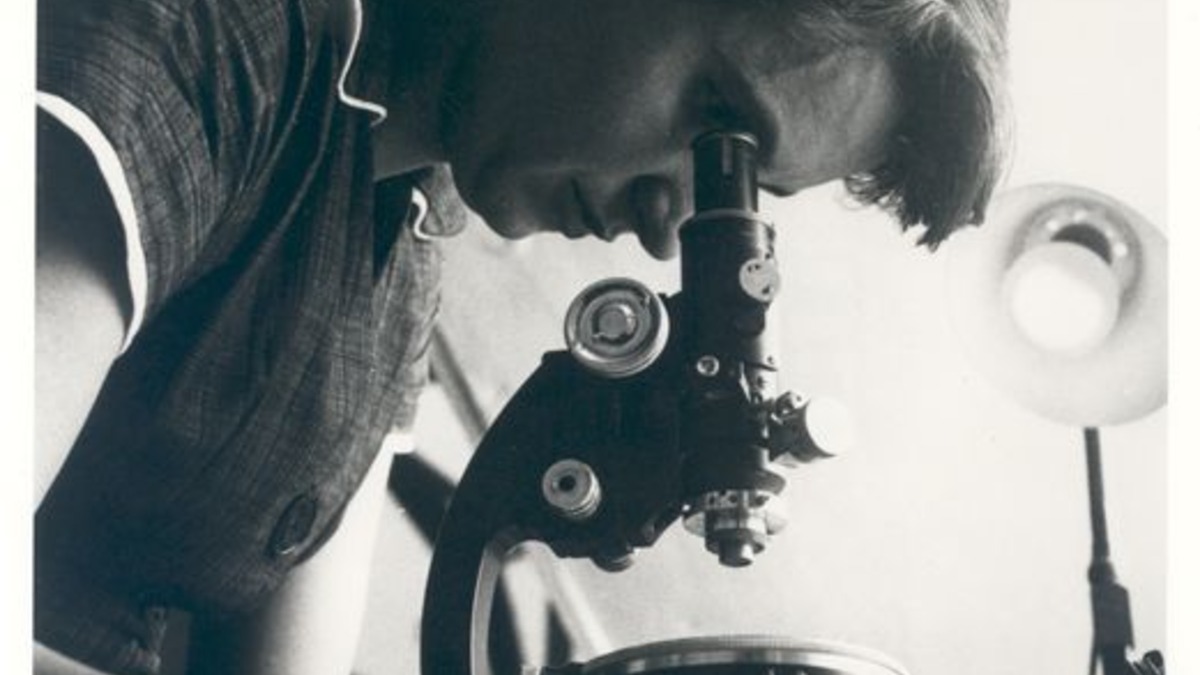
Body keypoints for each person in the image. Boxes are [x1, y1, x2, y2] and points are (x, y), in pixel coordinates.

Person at [34, 0, 1009, 673]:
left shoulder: (405, 258)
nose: (674, 227)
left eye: (752, 194)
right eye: (715, 121)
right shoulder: (203, 44)